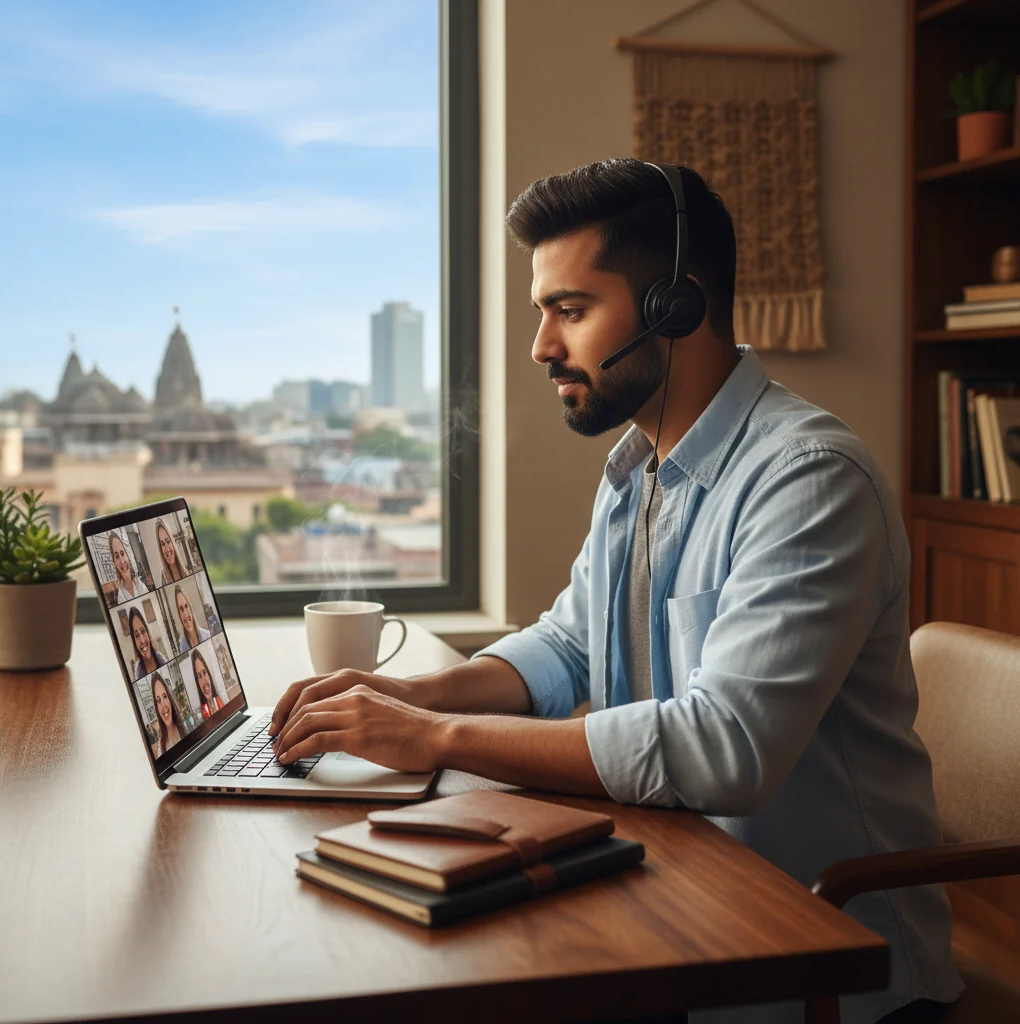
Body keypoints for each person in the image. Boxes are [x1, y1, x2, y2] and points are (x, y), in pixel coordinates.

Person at [268, 160, 960, 1024]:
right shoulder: (637, 467)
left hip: (827, 964)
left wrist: (436, 735)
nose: (541, 347)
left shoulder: (807, 479)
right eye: (542, 312)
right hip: (679, 897)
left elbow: (725, 749)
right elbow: (567, 644)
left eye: (571, 310)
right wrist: (409, 695)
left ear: (677, 305)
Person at [128, 606, 169, 681]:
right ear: (134, 642)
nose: (142, 640)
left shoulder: (161, 658)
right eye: (137, 635)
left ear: (148, 633)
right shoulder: (138, 671)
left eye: (143, 631)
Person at [151, 672, 186, 754]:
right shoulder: (162, 748)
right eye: (158, 701)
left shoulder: (184, 727)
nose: (163, 705)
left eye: (165, 696)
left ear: (170, 698)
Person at [109, 532, 148, 602]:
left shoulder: (140, 585)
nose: (122, 561)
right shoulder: (120, 598)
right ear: (114, 562)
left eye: (122, 553)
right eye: (117, 556)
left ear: (127, 555)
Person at [174, 584, 210, 653]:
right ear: (179, 615)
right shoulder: (182, 646)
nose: (185, 613)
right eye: (181, 609)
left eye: (186, 606)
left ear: (191, 608)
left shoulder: (207, 635)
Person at [191, 648, 224, 719]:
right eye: (199, 676)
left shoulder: (221, 701)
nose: (204, 680)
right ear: (197, 683)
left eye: (204, 672)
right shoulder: (202, 715)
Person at [155, 519, 190, 586]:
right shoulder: (163, 577)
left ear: (173, 542)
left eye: (168, 542)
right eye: (162, 544)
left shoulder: (186, 565)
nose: (167, 549)